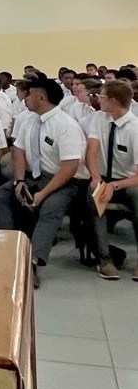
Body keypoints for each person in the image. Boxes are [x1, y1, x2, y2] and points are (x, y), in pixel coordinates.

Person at [0, 74, 88, 288]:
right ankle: (8, 250)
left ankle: (32, 263)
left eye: (30, 94)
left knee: (50, 207)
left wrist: (43, 194)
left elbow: (69, 167)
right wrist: (19, 181)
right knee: (1, 194)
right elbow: (18, 150)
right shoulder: (29, 120)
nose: (25, 98)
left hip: (65, 181)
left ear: (42, 98)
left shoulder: (66, 125)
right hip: (34, 176)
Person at [85, 80, 138, 281]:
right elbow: (91, 150)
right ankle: (104, 258)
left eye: (102, 97)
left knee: (136, 194)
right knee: (94, 195)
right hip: (104, 177)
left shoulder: (135, 129)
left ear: (114, 101)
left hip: (128, 181)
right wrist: (96, 178)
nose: (98, 99)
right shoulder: (99, 118)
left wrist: (115, 185)